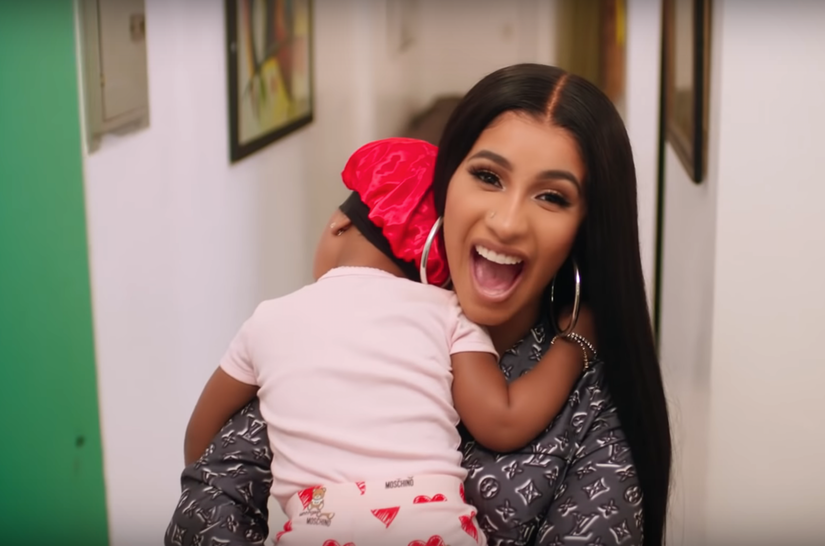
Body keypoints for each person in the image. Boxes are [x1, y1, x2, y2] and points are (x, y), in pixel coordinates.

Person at [165, 63, 671, 546]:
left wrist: (577, 343)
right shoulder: (330, 337)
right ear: (445, 186)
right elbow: (208, 495)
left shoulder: (595, 406)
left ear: (585, 228)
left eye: (552, 197)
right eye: (488, 176)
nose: (508, 222)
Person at [181, 137, 596, 546]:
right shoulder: (448, 312)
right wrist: (576, 341)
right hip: (433, 528)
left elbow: (203, 439)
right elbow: (502, 421)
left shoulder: (268, 320)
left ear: (339, 223)